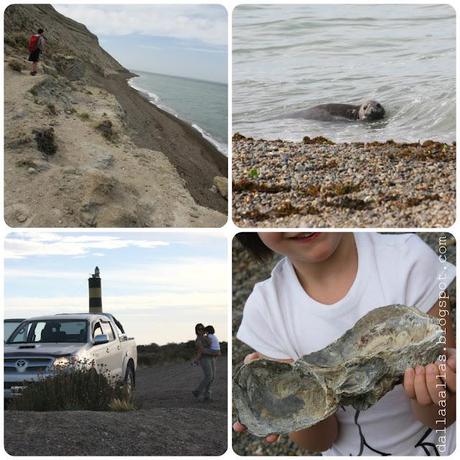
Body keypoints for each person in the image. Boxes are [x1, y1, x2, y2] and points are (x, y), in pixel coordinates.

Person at [234, 232, 456, 455]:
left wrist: (436, 390)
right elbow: (321, 441)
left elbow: (443, 417)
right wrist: (285, 410)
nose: (300, 224)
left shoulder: (410, 262)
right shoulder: (266, 310)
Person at [192, 323, 220, 402]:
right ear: (197, 331)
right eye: (199, 329)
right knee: (209, 376)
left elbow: (211, 344)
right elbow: (202, 351)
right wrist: (215, 353)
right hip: (204, 358)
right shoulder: (198, 340)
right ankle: (197, 391)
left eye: (202, 328)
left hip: (211, 357)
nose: (201, 330)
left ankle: (207, 396)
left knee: (213, 377)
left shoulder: (206, 337)